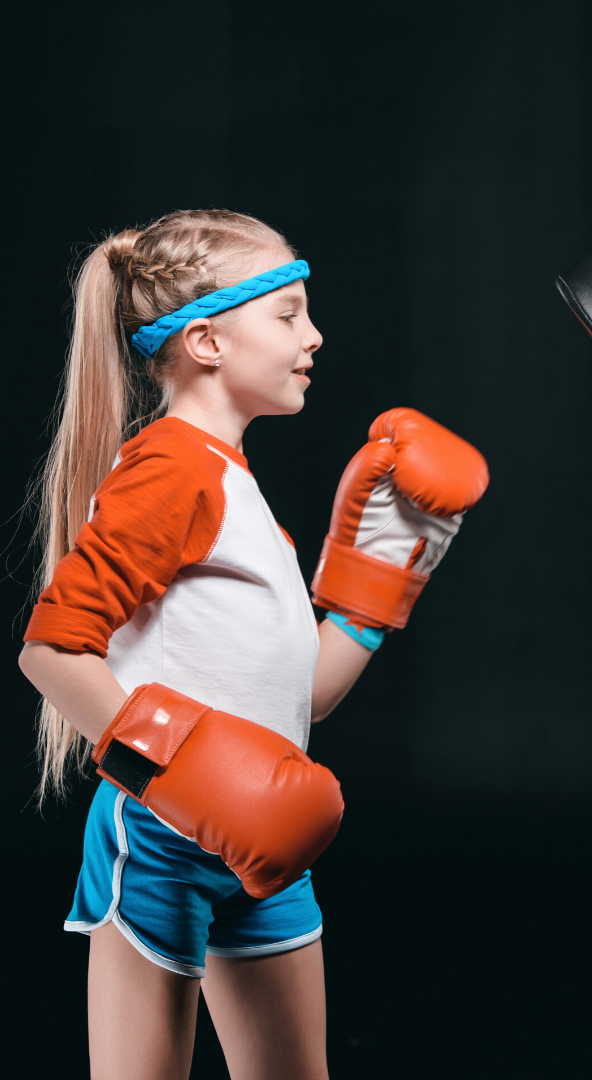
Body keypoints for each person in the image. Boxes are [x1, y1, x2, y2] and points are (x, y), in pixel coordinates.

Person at [18, 209, 487, 1079]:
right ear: (207, 342)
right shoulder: (172, 471)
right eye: (288, 314)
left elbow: (300, 700)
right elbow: (50, 650)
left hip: (263, 830)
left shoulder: (230, 483)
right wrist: (189, 776)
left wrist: (380, 574)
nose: (314, 335)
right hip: (161, 834)